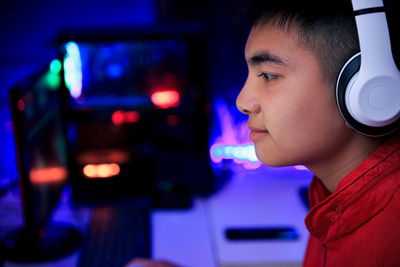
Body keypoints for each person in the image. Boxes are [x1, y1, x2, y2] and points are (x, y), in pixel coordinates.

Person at [126, 0, 400, 266]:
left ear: (366, 90)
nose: (243, 102)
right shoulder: (337, 201)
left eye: (268, 75)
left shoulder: (391, 235)